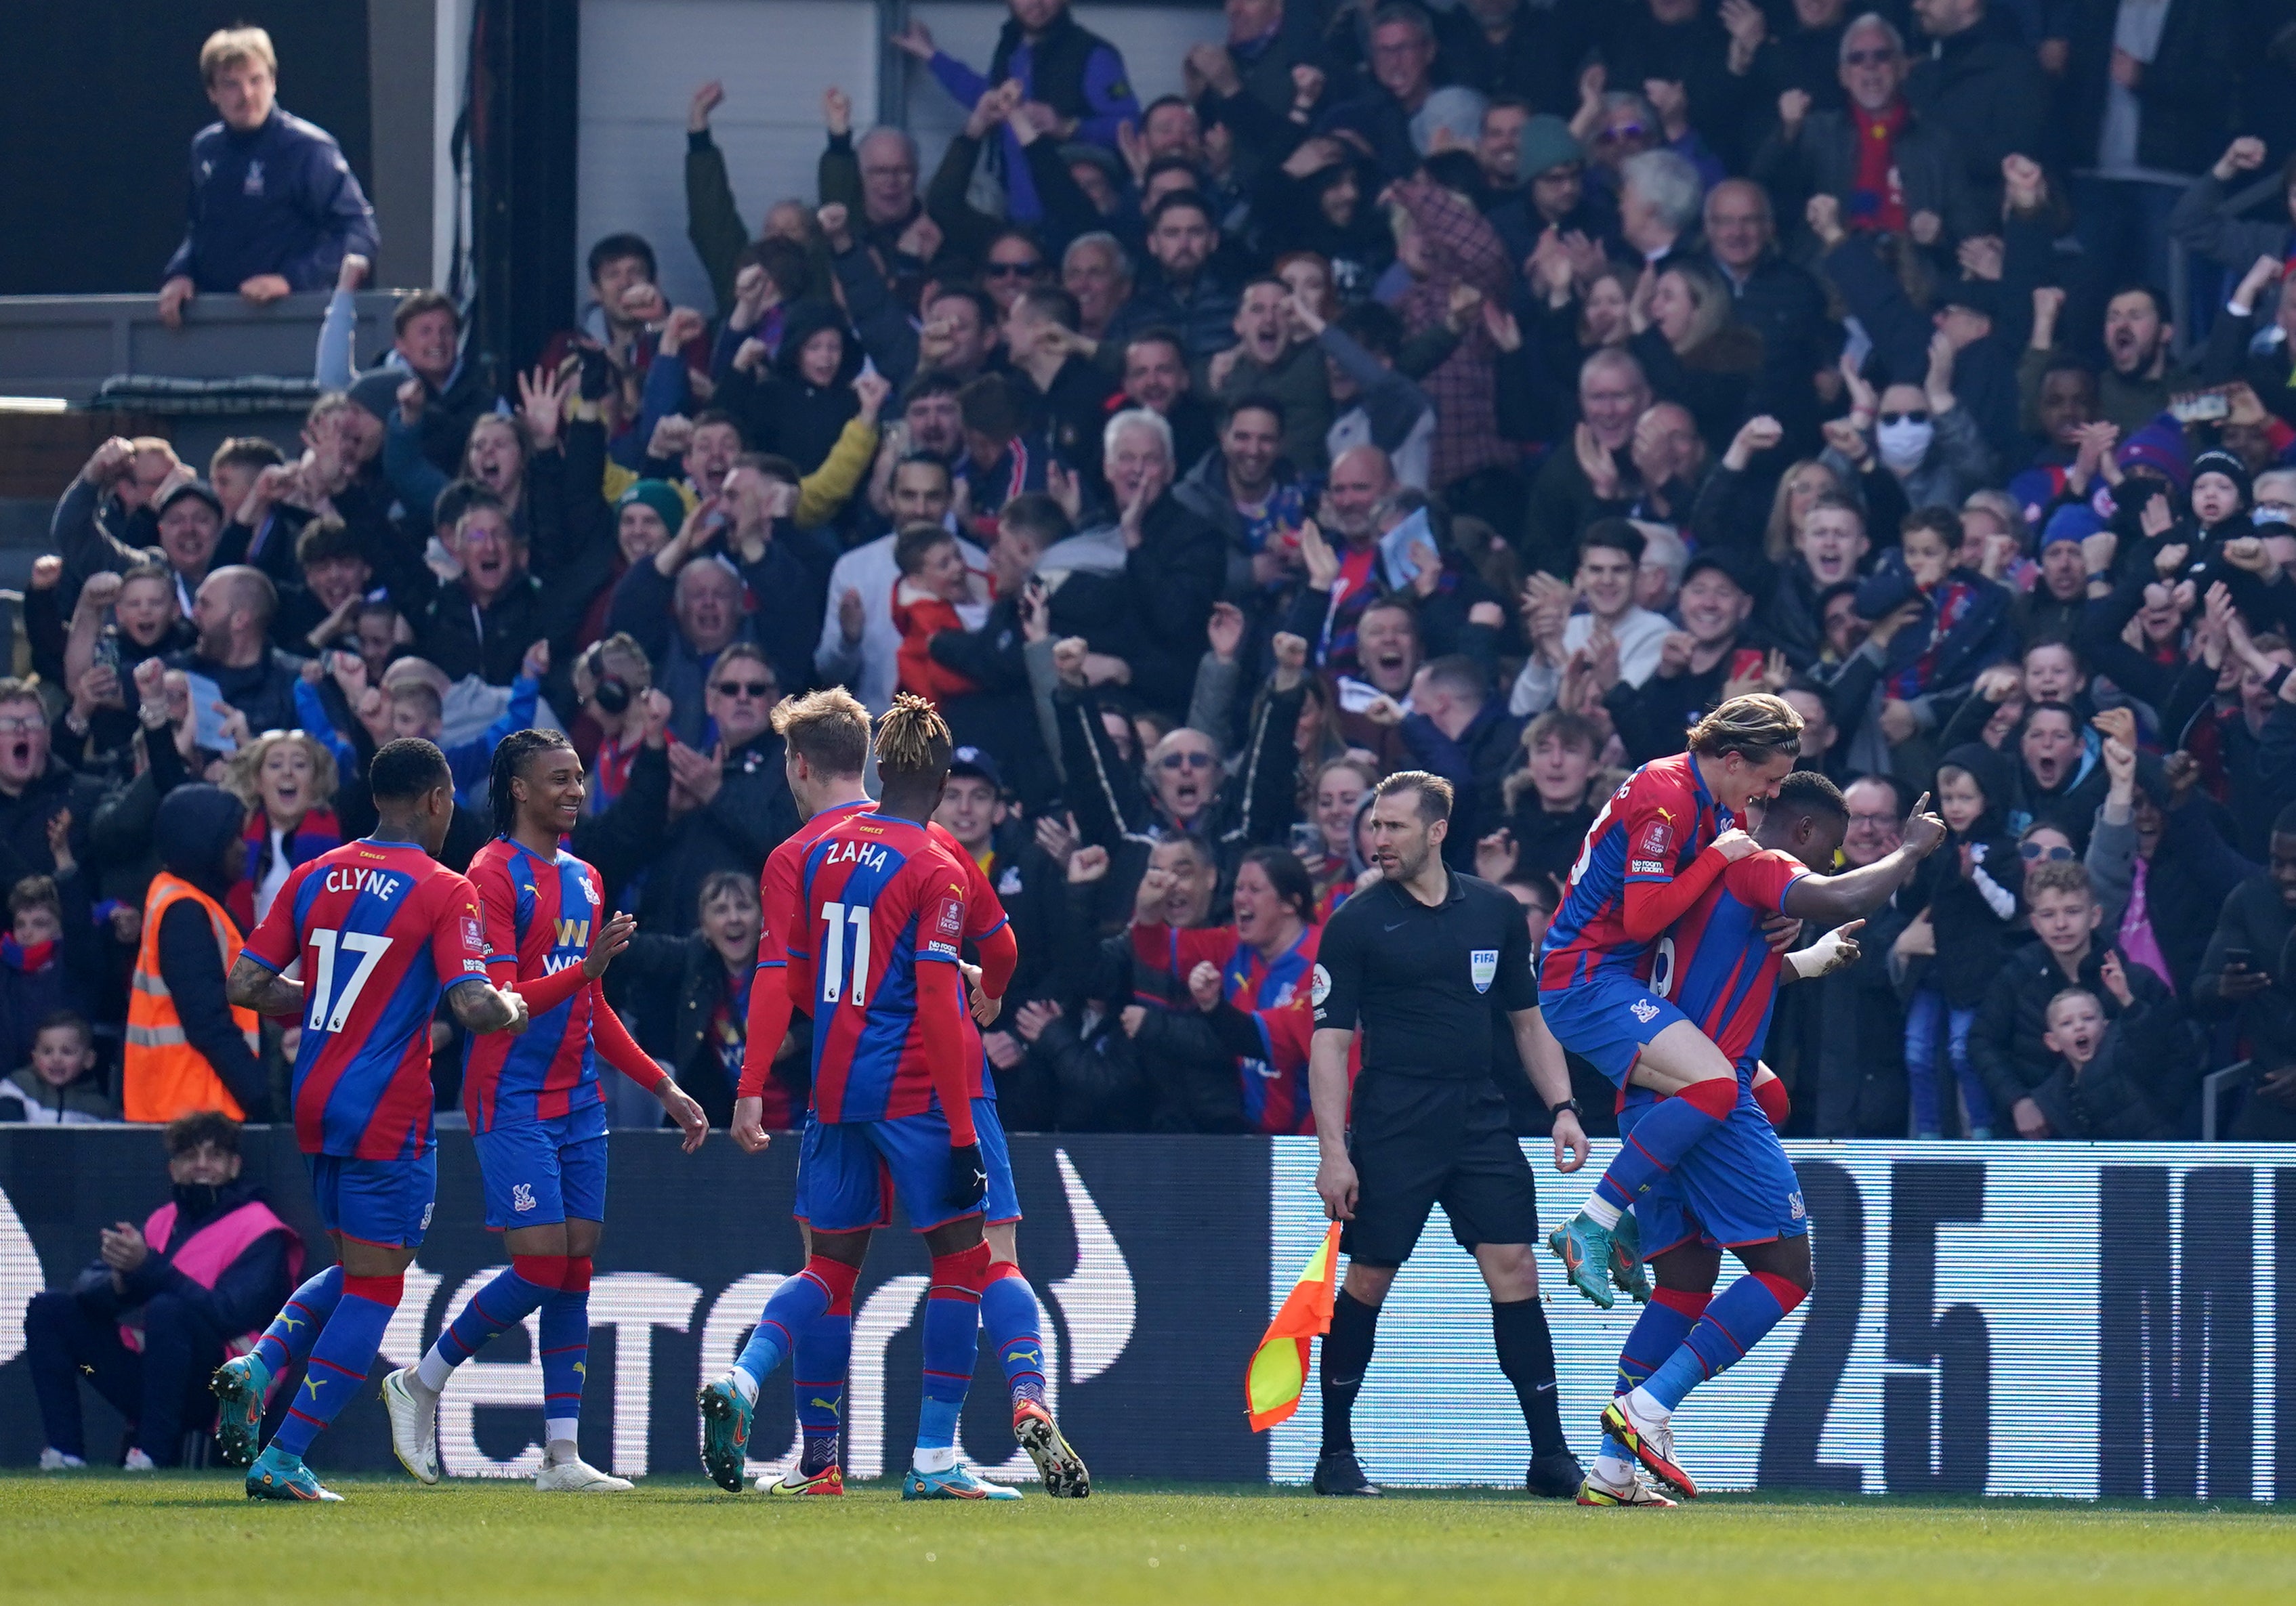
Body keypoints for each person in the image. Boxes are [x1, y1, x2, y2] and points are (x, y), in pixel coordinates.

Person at [700, 695, 1064, 1502]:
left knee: (828, 1266)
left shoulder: (813, 853)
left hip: (834, 1087)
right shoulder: (937, 854)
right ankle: (948, 1447)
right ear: (939, 784)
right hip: (926, 1088)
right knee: (974, 1261)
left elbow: (783, 979)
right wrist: (986, 1001)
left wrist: (752, 1086)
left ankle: (768, 1402)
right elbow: (966, 973)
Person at [1588, 770, 1945, 1504]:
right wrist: (1907, 852)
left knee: (1683, 1287)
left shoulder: (1699, 872)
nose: (1827, 866)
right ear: (1806, 832)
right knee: (1785, 1271)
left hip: (1645, 1100)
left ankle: (1610, 1472)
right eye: (1831, 850)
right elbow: (1844, 896)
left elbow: (1714, 971)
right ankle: (1646, 1410)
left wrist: (1807, 960)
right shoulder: (1758, 861)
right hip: (1710, 1104)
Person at [380, 730, 707, 1494]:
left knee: (575, 1268)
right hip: (510, 1096)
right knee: (540, 1263)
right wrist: (582, 970)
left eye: (579, 777)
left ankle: (561, 1458)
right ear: (518, 790)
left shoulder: (587, 880)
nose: (574, 790)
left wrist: (662, 1086)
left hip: (578, 1099)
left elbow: (590, 1005)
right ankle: (421, 1381)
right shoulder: (488, 876)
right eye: (557, 779)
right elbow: (492, 1008)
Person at [209, 738, 530, 1502]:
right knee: (380, 1287)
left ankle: (257, 1365)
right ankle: (285, 1457)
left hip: (314, 1097)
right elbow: (472, 1004)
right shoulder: (446, 887)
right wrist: (515, 1003)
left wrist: (322, 1002)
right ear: (433, 800)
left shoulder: (315, 872)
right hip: (387, 1107)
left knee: (359, 1267)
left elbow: (246, 983)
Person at [1306, 770, 1589, 1500]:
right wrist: (1332, 1151)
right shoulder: (1356, 921)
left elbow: (1527, 1022)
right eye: (1374, 826)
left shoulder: (1494, 911)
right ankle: (1334, 1454)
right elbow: (1330, 1043)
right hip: (1393, 1116)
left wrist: (1561, 1105)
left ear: (1435, 831)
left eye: (1393, 826)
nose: (1378, 839)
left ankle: (1550, 1457)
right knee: (1369, 1278)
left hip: (1478, 1115)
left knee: (1516, 1270)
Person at [1536, 695, 1800, 1303]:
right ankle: (1592, 1222)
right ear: (1732, 760)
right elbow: (1643, 917)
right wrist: (1714, 856)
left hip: (1622, 979)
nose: (1770, 794)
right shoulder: (1669, 795)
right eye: (1767, 779)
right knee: (1714, 1088)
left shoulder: (1703, 795)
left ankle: (1630, 1214)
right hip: (1584, 978)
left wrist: (1786, 924)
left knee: (1766, 1096)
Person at [26, 1112, 298, 1470]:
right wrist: (122, 1280)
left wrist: (149, 1269)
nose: (201, 1166)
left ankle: (151, 1455)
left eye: (213, 1156)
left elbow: (229, 1313)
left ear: (234, 1166)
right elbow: (87, 1287)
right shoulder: (164, 1220)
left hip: (225, 1391)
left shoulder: (262, 1230)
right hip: (158, 1377)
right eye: (189, 1156)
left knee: (169, 1310)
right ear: (173, 1168)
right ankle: (65, 1454)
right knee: (49, 1309)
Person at [157, 27, 379, 328]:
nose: (246, 95)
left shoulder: (307, 149)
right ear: (213, 93)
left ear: (274, 83)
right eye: (232, 85)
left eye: (256, 81)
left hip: (293, 320)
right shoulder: (205, 149)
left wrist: (291, 280)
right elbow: (201, 232)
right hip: (216, 322)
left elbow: (360, 233)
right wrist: (181, 273)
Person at [120, 786, 266, 1126]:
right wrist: (260, 1096)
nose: (244, 849)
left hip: (189, 1105)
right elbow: (208, 1023)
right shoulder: (185, 912)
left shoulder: (185, 898)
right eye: (233, 839)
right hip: (196, 1113)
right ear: (206, 846)